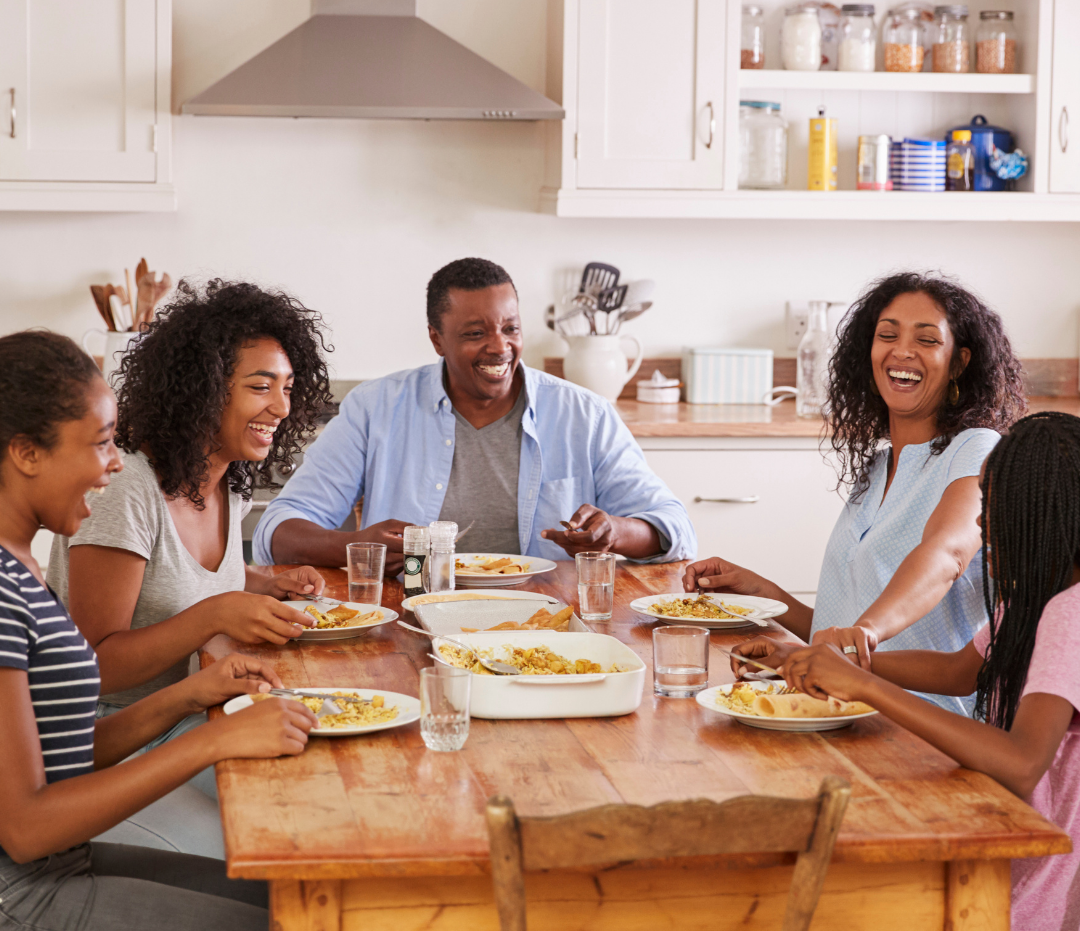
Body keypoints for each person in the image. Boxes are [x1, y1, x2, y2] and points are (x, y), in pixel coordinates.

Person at [0, 329, 317, 931]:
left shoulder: (21, 567)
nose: (116, 463)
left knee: (293, 901)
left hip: (61, 865)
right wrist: (212, 740)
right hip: (20, 893)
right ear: (27, 453)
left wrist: (194, 693)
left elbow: (65, 755)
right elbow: (23, 827)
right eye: (99, 444)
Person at [755, 413, 1080, 931]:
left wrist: (865, 684)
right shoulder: (1031, 599)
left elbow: (1021, 763)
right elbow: (958, 672)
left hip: (1026, 883)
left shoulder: (1070, 613)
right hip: (997, 841)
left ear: (1042, 515)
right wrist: (836, 663)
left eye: (993, 508)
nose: (981, 526)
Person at [46, 280, 333, 852]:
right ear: (204, 391)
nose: (281, 407)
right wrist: (216, 614)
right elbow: (96, 664)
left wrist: (263, 581)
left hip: (191, 713)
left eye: (288, 388)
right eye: (260, 387)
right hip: (108, 742)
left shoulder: (228, 480)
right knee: (275, 844)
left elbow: (174, 575)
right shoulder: (126, 488)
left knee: (320, 795)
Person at [684, 272, 1026, 713]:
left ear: (959, 363)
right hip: (845, 711)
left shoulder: (976, 449)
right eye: (887, 335)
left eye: (926, 340)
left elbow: (948, 555)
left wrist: (864, 632)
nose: (902, 351)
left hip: (923, 728)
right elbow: (840, 635)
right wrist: (763, 594)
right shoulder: (878, 467)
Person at [254, 257, 695, 569]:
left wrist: (614, 532)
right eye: (475, 333)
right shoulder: (375, 408)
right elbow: (276, 533)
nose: (500, 347)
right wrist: (353, 545)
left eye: (511, 328)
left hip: (550, 623)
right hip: (412, 619)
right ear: (436, 339)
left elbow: (675, 528)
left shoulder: (585, 415)